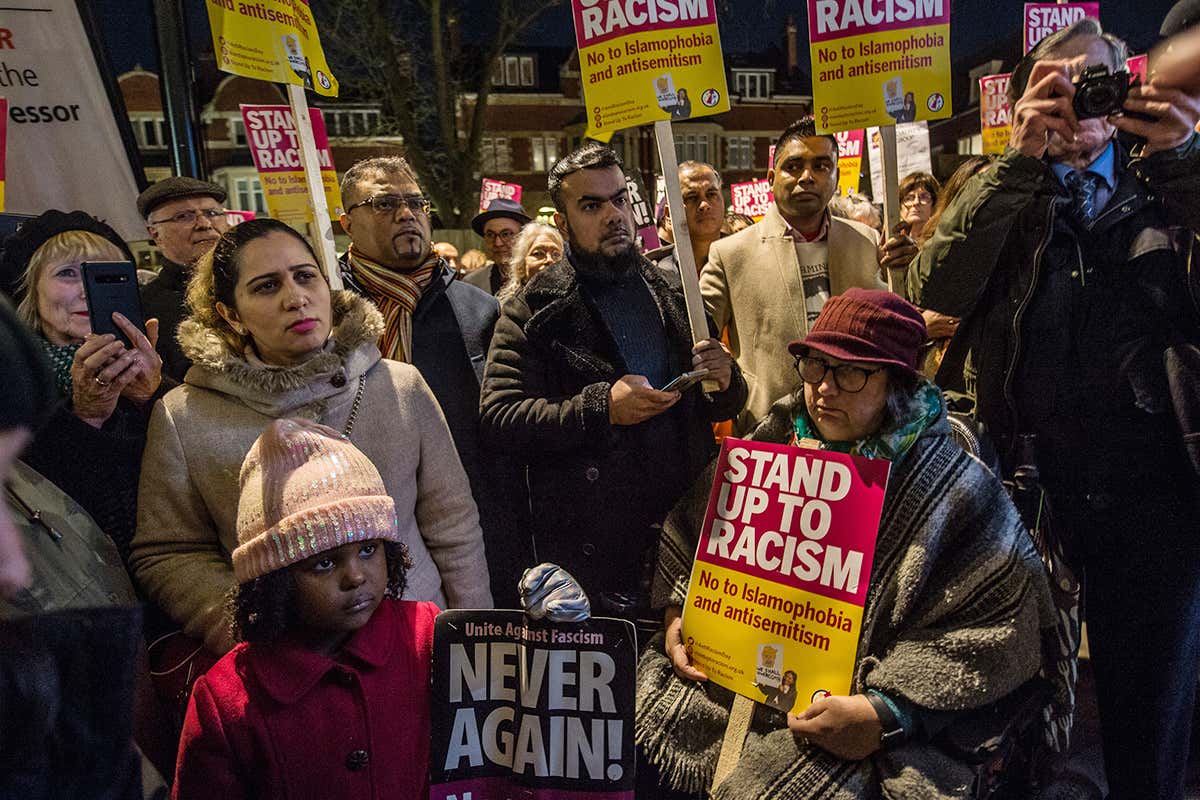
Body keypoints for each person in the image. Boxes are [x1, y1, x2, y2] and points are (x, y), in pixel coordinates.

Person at [908, 19, 1200, 800]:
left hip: (1157, 496)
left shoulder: (1170, 180)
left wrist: (1183, 165)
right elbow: (930, 293)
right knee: (1013, 709)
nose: (1081, 104)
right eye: (1058, 87)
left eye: (1096, 81)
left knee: (1149, 713)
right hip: (1025, 496)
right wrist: (1016, 161)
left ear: (1130, 84)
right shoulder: (1005, 185)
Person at [636, 289, 1055, 799]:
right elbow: (692, 534)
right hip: (732, 685)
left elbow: (994, 627)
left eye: (851, 372)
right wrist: (682, 611)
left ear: (899, 382)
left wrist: (887, 712)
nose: (824, 389)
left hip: (856, 712)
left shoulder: (956, 486)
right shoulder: (770, 443)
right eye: (816, 366)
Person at [131, 218, 490, 658]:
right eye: (266, 286)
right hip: (283, 668)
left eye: (305, 276)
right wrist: (245, 626)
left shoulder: (398, 386)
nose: (296, 298)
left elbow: (452, 524)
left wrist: (472, 642)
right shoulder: (185, 414)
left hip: (416, 651)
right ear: (231, 314)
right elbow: (169, 551)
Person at [480, 143, 747, 620]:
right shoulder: (532, 309)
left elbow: (719, 404)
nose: (614, 214)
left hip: (683, 535)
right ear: (562, 222)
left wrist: (726, 380)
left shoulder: (673, 290)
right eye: (592, 205)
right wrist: (600, 407)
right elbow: (500, 416)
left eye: (620, 199)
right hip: (592, 552)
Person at [172, 418, 437, 800]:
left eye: (368, 549)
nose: (356, 577)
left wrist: (544, 633)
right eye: (325, 563)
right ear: (273, 583)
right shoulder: (227, 701)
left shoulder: (425, 635)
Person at [336, 156, 512, 601]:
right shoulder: (326, 312)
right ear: (347, 223)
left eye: (415, 202)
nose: (405, 214)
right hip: (354, 525)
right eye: (384, 203)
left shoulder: (478, 310)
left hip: (470, 521)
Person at [701, 117, 886, 435]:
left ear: (836, 176)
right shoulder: (729, 253)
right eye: (794, 166)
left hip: (855, 428)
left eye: (821, 166)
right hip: (770, 429)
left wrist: (906, 272)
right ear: (771, 177)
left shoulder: (866, 241)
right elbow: (698, 336)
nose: (807, 177)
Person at [4, 210, 166, 562]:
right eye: (67, 274)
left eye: (105, 276)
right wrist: (87, 416)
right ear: (31, 290)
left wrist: (151, 398)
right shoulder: (14, 383)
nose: (87, 292)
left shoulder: (157, 364)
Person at [137, 177, 230, 382]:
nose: (204, 224)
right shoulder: (142, 307)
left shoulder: (251, 288)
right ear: (155, 234)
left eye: (212, 213)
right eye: (183, 217)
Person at [658, 161, 725, 277]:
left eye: (711, 194)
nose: (704, 205)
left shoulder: (749, 262)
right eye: (691, 197)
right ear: (669, 214)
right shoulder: (655, 277)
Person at [464, 198, 532, 296]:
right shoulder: (472, 284)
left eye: (506, 234)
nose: (498, 243)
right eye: (490, 235)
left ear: (524, 236)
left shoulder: (537, 277)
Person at [497, 222, 562, 304]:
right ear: (521, 267)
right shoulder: (510, 311)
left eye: (556, 254)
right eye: (538, 253)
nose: (549, 260)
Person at [897, 171, 940, 241]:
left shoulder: (940, 238)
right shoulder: (891, 237)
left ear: (934, 204)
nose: (916, 202)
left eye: (924, 197)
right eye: (909, 198)